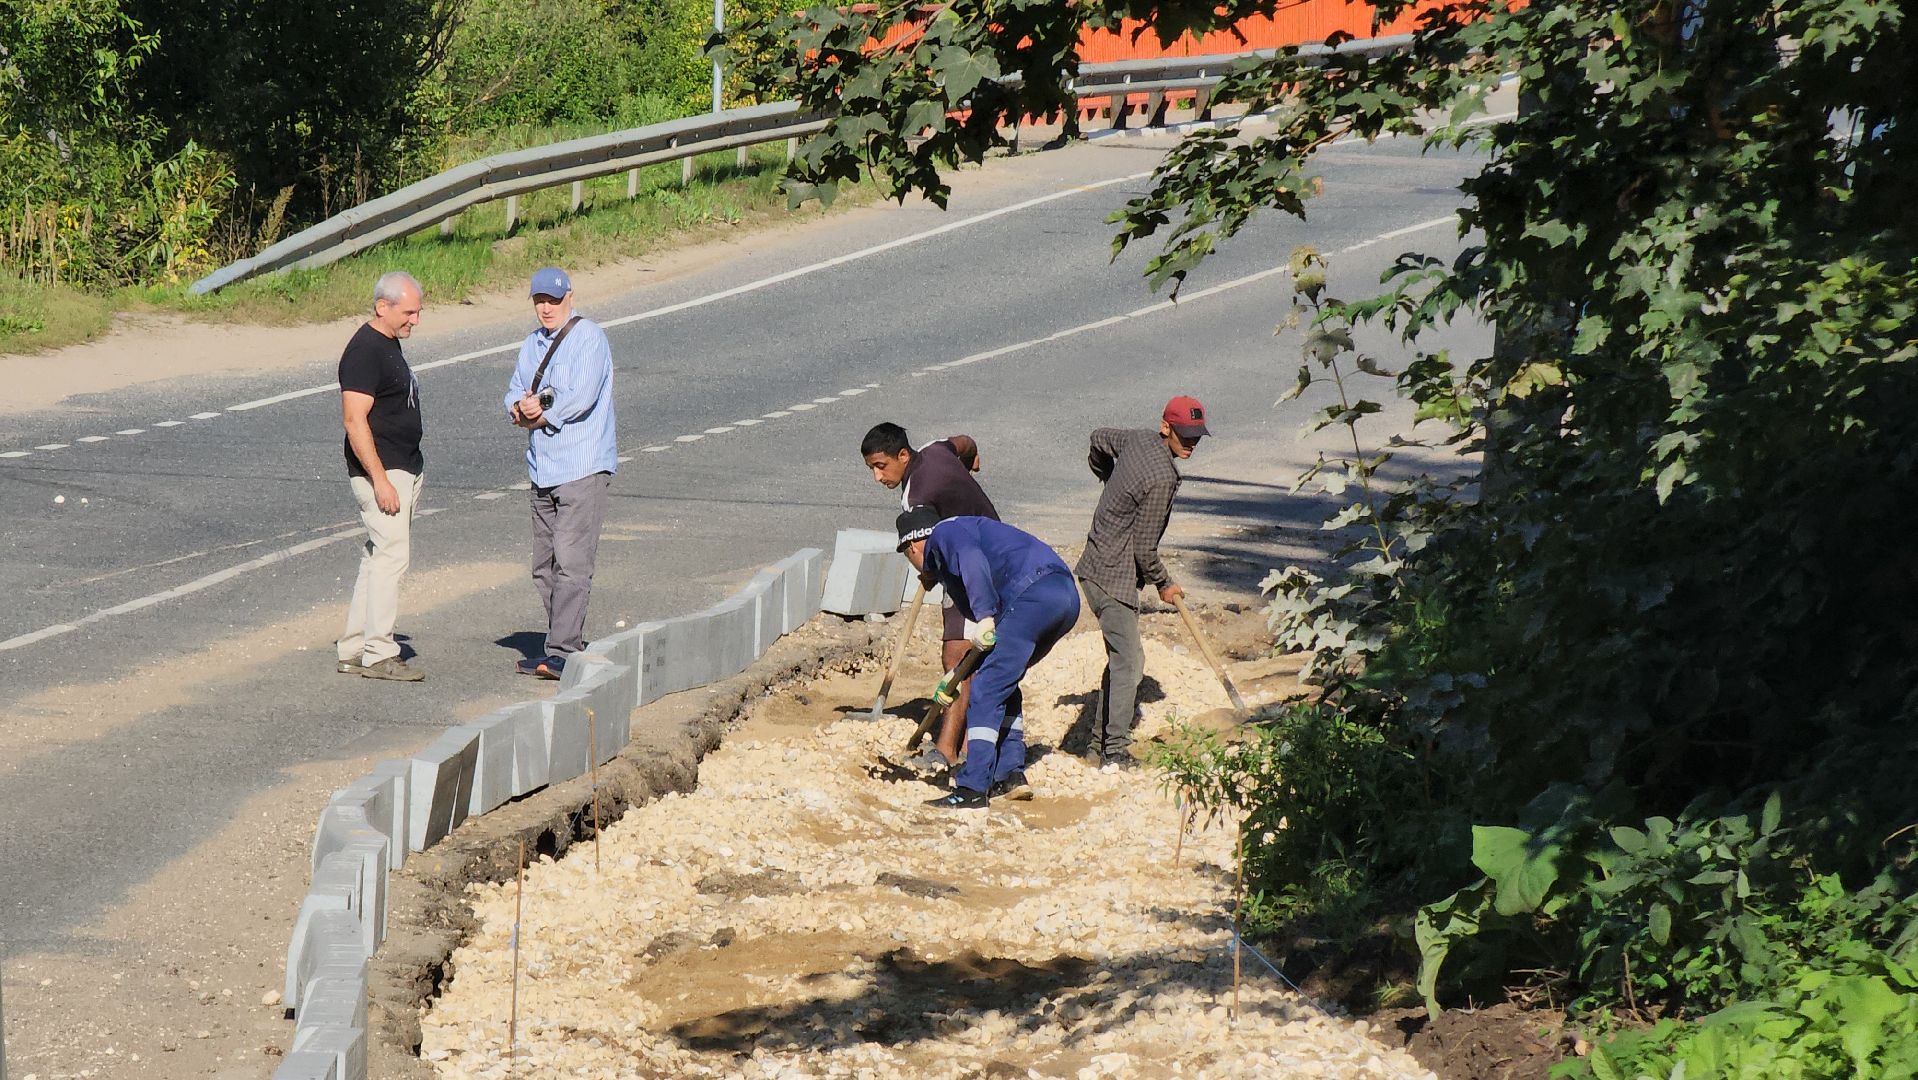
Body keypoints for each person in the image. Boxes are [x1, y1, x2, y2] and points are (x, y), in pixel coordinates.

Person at [897, 506, 1081, 809]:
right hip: (1063, 598)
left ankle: (972, 788)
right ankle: (1009, 775)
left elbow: (970, 560)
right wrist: (954, 677)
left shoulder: (946, 532)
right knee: (1002, 681)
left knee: (986, 689)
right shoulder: (962, 541)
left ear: (914, 545)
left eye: (910, 558)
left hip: (1034, 593)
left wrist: (983, 616)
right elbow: (992, 637)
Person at [1075, 395, 1209, 767]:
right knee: (1131, 664)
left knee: (1121, 659)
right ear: (1166, 428)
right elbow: (1144, 549)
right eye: (1185, 437)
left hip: (1094, 567)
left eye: (1197, 437)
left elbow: (1098, 437)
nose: (1191, 444)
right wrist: (1165, 583)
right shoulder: (1163, 478)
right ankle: (1114, 752)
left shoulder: (1136, 440)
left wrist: (1106, 476)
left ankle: (1096, 746)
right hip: (1113, 577)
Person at [861, 422, 997, 774]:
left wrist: (929, 572)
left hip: (971, 571)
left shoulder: (914, 499)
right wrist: (971, 462)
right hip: (997, 548)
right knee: (974, 658)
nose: (877, 477)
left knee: (956, 657)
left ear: (902, 455)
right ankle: (969, 747)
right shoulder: (937, 449)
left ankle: (947, 750)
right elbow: (965, 442)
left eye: (881, 466)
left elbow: (926, 557)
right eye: (871, 469)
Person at [505, 267, 618, 680]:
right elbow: (515, 389)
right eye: (540, 300)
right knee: (544, 565)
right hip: (543, 467)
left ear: (570, 297)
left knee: (572, 563)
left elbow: (581, 398)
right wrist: (517, 408)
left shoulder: (589, 338)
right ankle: (561, 638)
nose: (546, 308)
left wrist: (541, 410)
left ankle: (563, 649)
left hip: (582, 466)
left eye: (553, 300)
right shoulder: (531, 344)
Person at [336, 271, 427, 682]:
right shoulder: (364, 351)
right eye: (408, 312)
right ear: (382, 307)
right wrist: (381, 481)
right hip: (383, 472)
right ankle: (379, 653)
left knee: (376, 559)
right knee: (392, 558)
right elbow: (355, 422)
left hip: (399, 467)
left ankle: (354, 648)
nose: (415, 320)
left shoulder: (386, 343)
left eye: (418, 312)